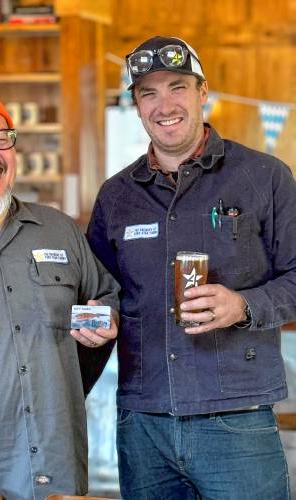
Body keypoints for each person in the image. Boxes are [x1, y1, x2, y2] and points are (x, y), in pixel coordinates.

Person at [87, 36, 296, 500]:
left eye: (177, 87)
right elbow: (99, 292)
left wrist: (243, 305)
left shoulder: (264, 177)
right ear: (137, 106)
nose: (165, 105)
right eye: (148, 93)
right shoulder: (116, 197)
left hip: (236, 420)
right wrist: (99, 316)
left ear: (203, 92)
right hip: (143, 425)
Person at [0, 86, 120, 500]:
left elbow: (107, 298)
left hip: (57, 476)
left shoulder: (59, 230)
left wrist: (108, 318)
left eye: (0, 138)